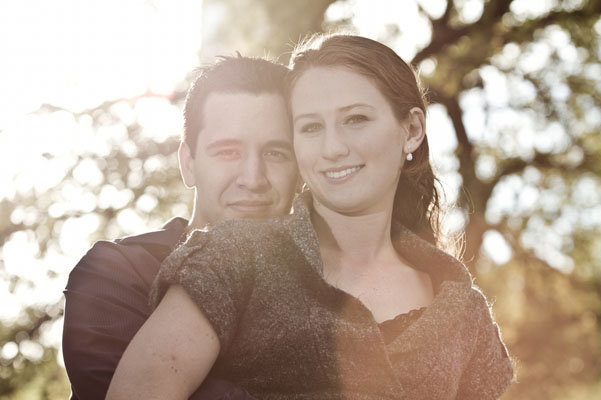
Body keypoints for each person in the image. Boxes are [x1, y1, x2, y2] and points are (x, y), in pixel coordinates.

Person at [107, 34, 513, 399]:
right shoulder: (234, 257)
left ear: (412, 129)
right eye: (311, 127)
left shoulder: (464, 312)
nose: (333, 147)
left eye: (356, 119)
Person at [62, 55, 300, 400]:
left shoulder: (338, 280)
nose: (253, 178)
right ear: (188, 164)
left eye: (276, 153)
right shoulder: (114, 274)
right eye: (228, 152)